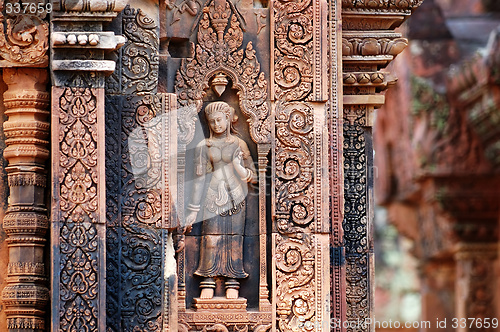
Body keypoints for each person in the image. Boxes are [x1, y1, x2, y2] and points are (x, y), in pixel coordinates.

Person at [185, 101, 257, 299]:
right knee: (211, 238)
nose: (216, 125)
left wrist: (239, 167)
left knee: (234, 239)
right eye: (212, 122)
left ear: (228, 119)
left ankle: (232, 282)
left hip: (236, 197)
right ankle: (207, 280)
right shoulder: (204, 145)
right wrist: (192, 209)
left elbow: (255, 176)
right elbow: (199, 180)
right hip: (213, 196)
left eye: (219, 120)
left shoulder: (239, 144)